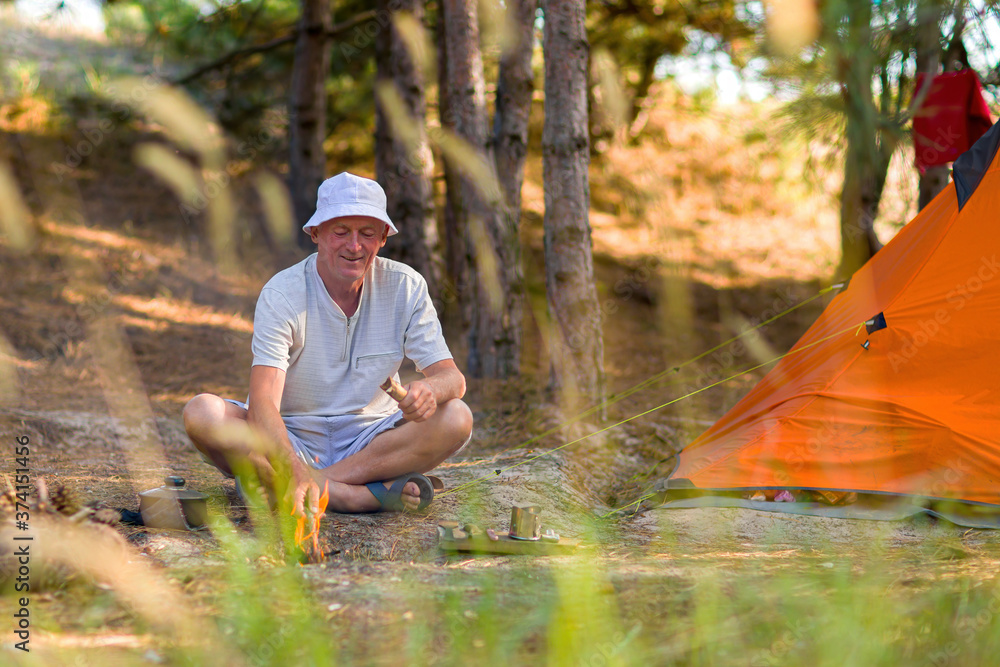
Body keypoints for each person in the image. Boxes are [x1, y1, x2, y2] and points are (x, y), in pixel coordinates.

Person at [182, 173, 473, 517]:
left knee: (456, 416)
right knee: (202, 412)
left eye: (367, 233)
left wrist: (430, 389)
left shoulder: (406, 286)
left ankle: (300, 487)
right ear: (316, 234)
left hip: (373, 442)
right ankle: (360, 497)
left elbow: (453, 379)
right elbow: (263, 402)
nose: (354, 246)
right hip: (290, 437)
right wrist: (291, 461)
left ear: (382, 238)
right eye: (340, 232)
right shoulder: (282, 293)